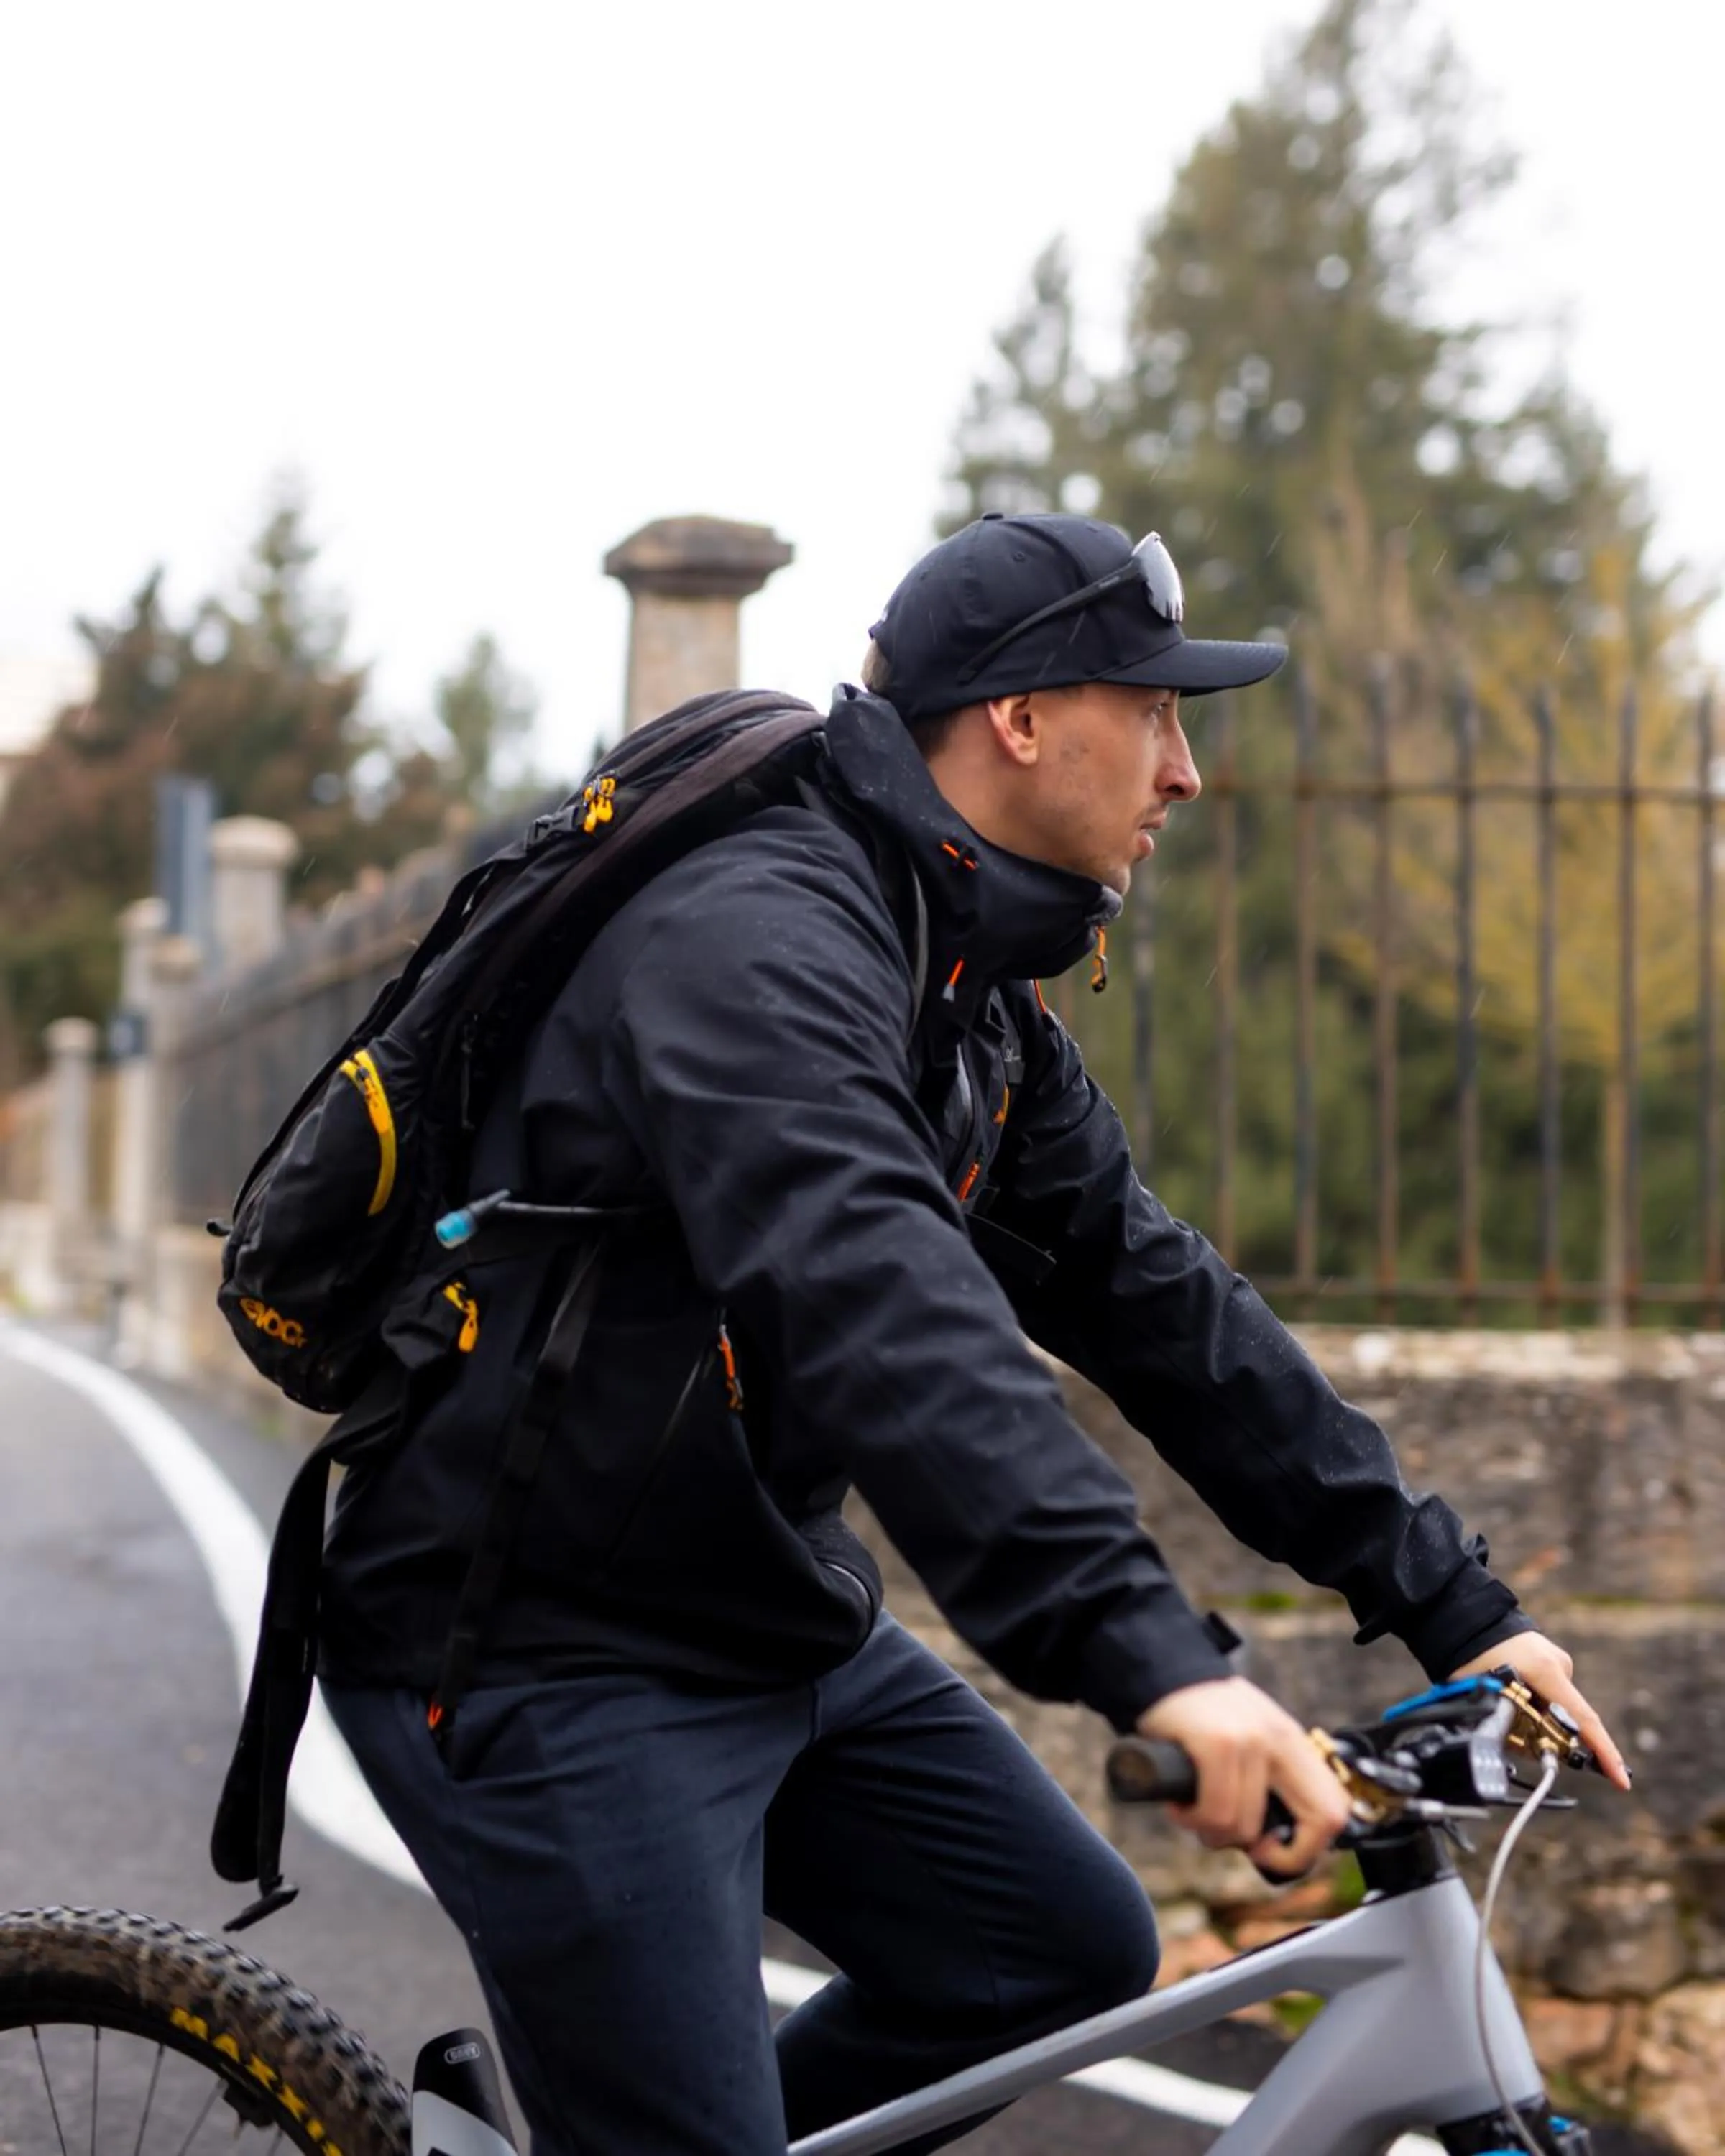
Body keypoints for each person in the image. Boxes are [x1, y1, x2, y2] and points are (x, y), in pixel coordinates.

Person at [318, 512, 1627, 2156]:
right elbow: (883, 1306)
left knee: (1052, 1956)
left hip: (761, 1616)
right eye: (1153, 715)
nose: (1185, 773)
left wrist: (1453, 1604)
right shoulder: (757, 944)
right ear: (1017, 719)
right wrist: (1158, 1660)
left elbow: (1157, 1302)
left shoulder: (965, 992)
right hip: (538, 1650)